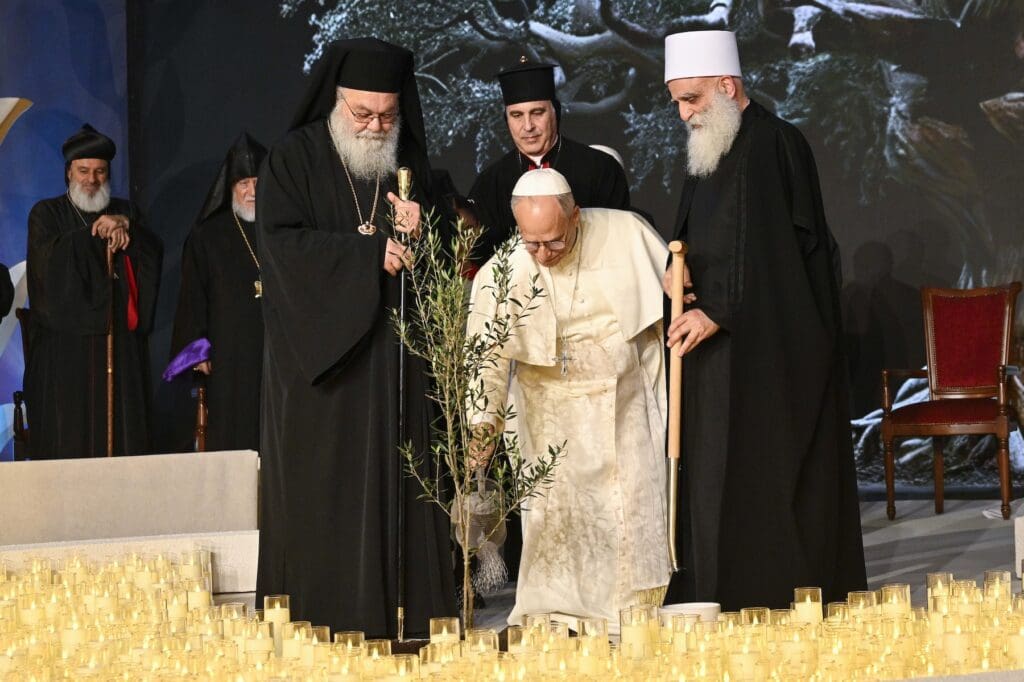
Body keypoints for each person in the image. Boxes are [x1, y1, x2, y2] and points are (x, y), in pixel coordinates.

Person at [255, 38, 455, 637]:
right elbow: (282, 249)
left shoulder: (411, 165)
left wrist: (427, 230)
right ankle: (326, 623)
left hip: (395, 364)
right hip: (322, 370)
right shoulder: (293, 159)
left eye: (386, 116)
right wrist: (369, 256)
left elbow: (446, 259)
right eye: (362, 114)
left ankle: (408, 623)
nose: (374, 127)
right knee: (323, 498)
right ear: (336, 103)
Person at [660, 30, 866, 610]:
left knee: (763, 479)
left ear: (728, 86)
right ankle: (716, 592)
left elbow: (780, 255)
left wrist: (720, 311)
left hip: (769, 351)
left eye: (692, 98)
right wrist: (678, 279)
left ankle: (770, 598)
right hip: (713, 347)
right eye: (677, 100)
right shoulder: (711, 145)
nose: (683, 114)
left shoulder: (776, 143)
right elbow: (698, 241)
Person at [468, 168, 671, 629]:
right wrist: (485, 421)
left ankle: (628, 614)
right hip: (548, 413)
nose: (544, 254)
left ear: (575, 217)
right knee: (555, 518)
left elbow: (672, 297)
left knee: (624, 509)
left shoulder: (626, 235)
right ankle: (556, 614)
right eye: (532, 243)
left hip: (621, 403)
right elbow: (487, 351)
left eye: (554, 242)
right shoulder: (509, 265)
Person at [24, 124, 163, 459]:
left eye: (100, 171)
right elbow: (46, 268)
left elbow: (151, 252)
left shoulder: (124, 211)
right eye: (83, 170)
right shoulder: (47, 213)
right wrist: (92, 235)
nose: (91, 179)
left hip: (119, 349)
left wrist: (128, 231)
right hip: (66, 351)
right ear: (69, 171)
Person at [467, 58, 630, 269]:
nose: (528, 126)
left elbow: (620, 243)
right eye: (517, 115)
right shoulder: (490, 182)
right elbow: (482, 260)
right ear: (506, 120)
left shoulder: (601, 168)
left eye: (537, 113)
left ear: (556, 112)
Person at [166, 132, 267, 451]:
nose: (251, 192)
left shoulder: (282, 227)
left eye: (257, 182)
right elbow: (194, 294)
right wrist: (197, 347)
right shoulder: (208, 235)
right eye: (243, 184)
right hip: (230, 351)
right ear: (231, 188)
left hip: (274, 348)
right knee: (233, 428)